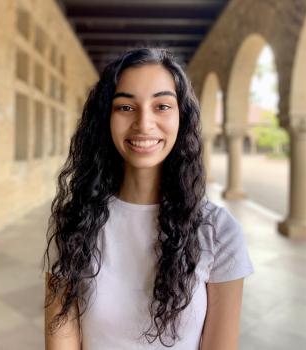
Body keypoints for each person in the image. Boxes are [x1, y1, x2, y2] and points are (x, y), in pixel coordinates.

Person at [43, 47, 254, 350]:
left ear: (182, 117)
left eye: (162, 106)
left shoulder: (218, 231)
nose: (144, 123)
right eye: (125, 107)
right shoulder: (73, 223)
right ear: (106, 118)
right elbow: (60, 342)